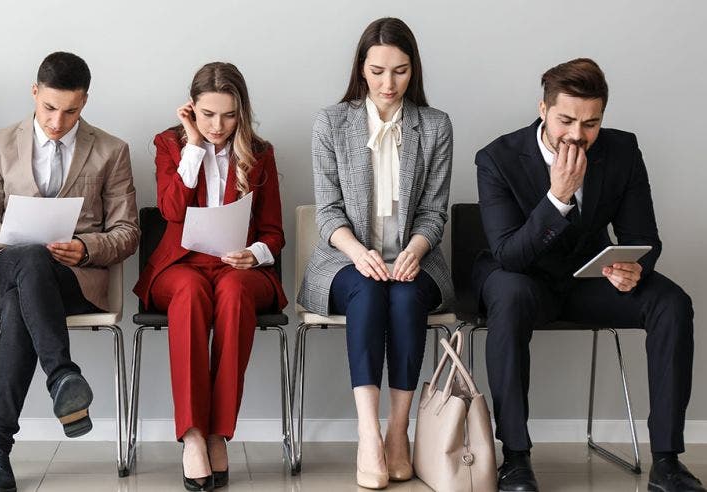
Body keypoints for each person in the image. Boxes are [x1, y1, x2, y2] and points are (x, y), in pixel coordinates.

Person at [474, 58, 702, 492]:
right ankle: (516, 460)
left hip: (588, 279)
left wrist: (632, 268)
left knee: (671, 302)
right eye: (566, 120)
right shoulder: (497, 158)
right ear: (543, 109)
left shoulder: (623, 151)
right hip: (521, 278)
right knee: (509, 293)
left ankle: (668, 461)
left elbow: (643, 236)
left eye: (591, 123)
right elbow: (509, 254)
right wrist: (558, 197)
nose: (578, 135)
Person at [0, 51, 139, 492]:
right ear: (34, 93)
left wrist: (85, 248)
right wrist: (13, 240)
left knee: (25, 303)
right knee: (28, 262)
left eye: (71, 111)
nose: (58, 121)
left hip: (74, 279)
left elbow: (128, 232)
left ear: (85, 102)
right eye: (49, 108)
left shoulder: (111, 150)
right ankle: (60, 375)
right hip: (6, 270)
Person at [297, 17, 454, 490]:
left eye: (400, 71)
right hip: (345, 261)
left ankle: (398, 432)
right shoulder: (332, 121)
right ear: (361, 69)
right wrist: (358, 251)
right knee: (368, 289)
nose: (389, 83)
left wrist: (415, 249)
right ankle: (369, 432)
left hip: (415, 259)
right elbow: (327, 212)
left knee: (405, 297)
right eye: (379, 71)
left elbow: (433, 211)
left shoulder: (434, 126)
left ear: (414, 70)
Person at [133, 62, 286, 491]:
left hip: (238, 268)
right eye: (208, 115)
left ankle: (220, 431)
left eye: (229, 115)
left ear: (243, 112)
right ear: (191, 110)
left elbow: (274, 233)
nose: (218, 125)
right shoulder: (169, 144)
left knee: (235, 294)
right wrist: (194, 146)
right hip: (180, 267)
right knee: (189, 293)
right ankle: (193, 435)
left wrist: (254, 254)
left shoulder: (261, 153)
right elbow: (171, 211)